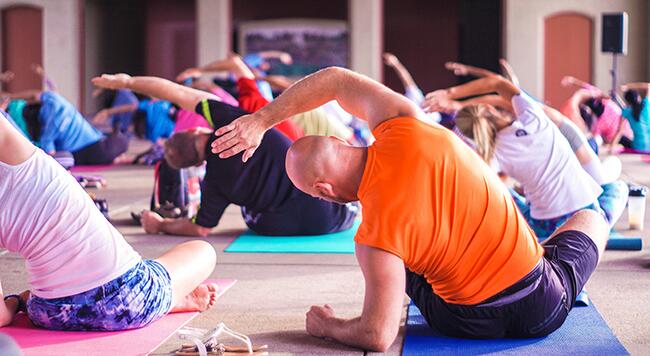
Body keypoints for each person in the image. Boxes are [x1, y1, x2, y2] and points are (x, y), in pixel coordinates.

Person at [206, 66, 609, 351]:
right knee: (590, 217)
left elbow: (377, 337)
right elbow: (336, 79)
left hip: (461, 322)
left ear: (323, 189)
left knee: (399, 258)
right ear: (344, 144)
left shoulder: (373, 240)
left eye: (314, 194)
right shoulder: (405, 122)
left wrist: (327, 327)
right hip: (542, 303)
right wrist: (261, 120)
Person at [0, 111, 218, 331]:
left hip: (51, 314)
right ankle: (169, 299)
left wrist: (15, 303)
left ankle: (167, 297)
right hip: (127, 300)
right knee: (203, 251)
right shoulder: (21, 158)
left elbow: (1, 316)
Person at [92, 73, 357, 237]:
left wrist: (160, 224)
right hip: (335, 213)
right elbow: (179, 92)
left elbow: (200, 228)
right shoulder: (230, 122)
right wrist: (127, 82)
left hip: (282, 227)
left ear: (195, 164)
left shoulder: (214, 184)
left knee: (249, 213)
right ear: (197, 129)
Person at [177, 54, 304, 141]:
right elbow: (236, 63)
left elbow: (235, 63)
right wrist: (199, 71)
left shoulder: (253, 105)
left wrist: (199, 70)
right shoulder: (254, 102)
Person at [617, 83, 650, 152]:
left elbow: (620, 131)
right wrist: (627, 87)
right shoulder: (646, 104)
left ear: (628, 101)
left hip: (637, 147)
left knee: (623, 139)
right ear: (638, 97)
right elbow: (648, 86)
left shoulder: (626, 111)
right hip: (648, 147)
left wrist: (611, 146)